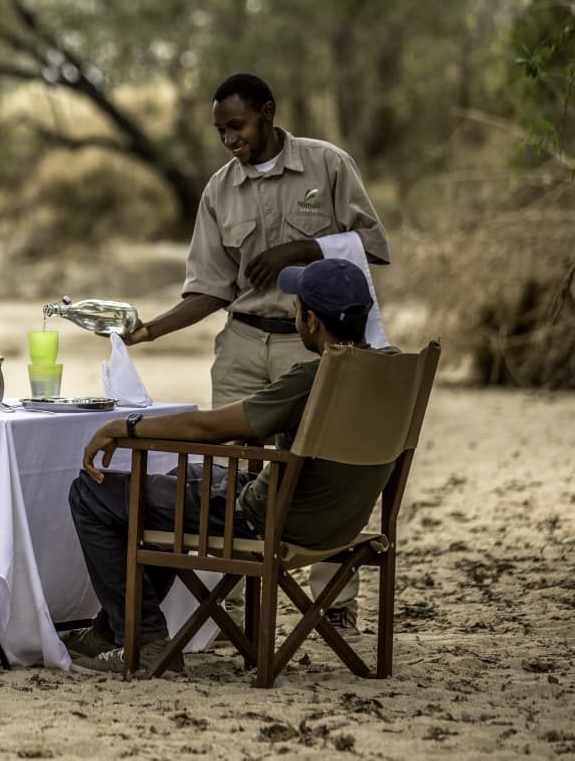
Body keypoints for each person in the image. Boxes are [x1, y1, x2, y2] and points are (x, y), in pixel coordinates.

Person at [120, 73, 389, 633]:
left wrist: (303, 247)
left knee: (320, 463)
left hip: (311, 340)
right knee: (232, 468)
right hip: (243, 339)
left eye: (237, 126)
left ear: (268, 112)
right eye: (220, 130)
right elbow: (209, 289)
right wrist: (148, 332)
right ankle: (231, 609)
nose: (229, 140)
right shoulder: (219, 190)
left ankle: (334, 604)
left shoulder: (327, 164)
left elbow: (371, 243)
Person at [67, 258, 396, 674]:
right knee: (179, 479)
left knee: (91, 492)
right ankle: (115, 629)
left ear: (311, 321)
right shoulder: (390, 367)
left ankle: (145, 639)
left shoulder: (315, 377)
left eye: (296, 307)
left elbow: (207, 428)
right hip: (337, 523)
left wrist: (123, 426)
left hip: (264, 518)